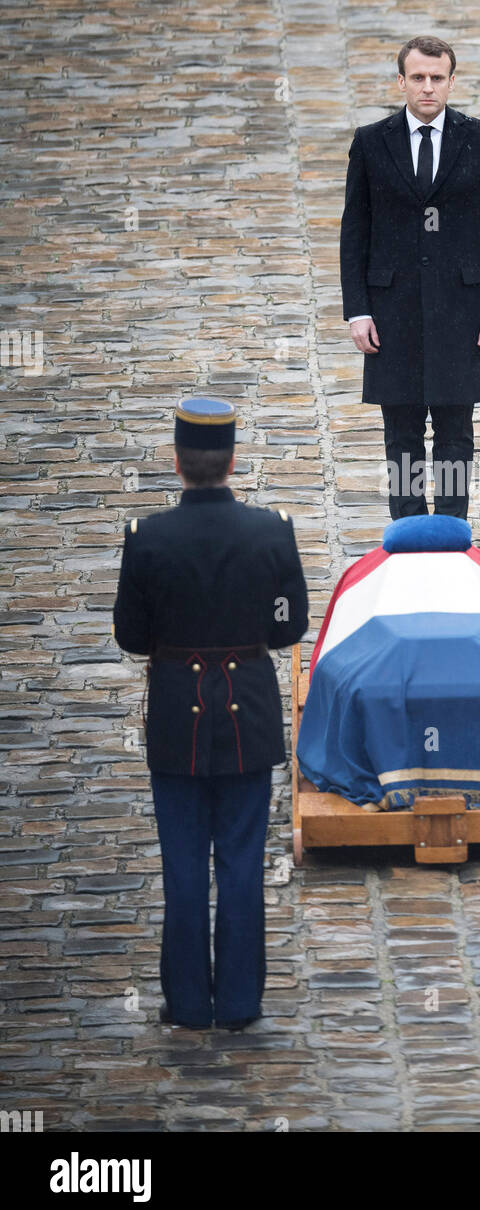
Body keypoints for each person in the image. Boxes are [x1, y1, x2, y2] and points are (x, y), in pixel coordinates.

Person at [112, 397, 308, 1030]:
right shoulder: (271, 530)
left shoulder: (147, 538)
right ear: (232, 460)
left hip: (176, 716)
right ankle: (242, 1004)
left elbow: (132, 636)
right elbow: (288, 626)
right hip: (246, 710)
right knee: (244, 863)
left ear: (177, 462)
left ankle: (190, 1003)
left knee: (184, 865)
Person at [340, 35, 480, 520]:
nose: (428, 88)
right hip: (391, 312)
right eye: (418, 77)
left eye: (437, 78)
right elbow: (354, 230)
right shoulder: (371, 143)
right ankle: (410, 529)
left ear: (452, 81)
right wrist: (358, 310)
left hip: (460, 311)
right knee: (401, 435)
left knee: (457, 433)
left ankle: (454, 531)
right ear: (401, 81)